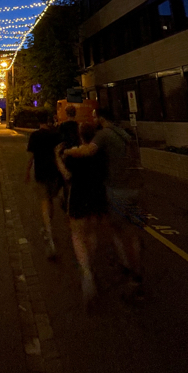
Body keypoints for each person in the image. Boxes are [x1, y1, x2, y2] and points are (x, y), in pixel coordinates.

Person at [64, 108, 144, 301]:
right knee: (130, 232)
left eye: (94, 116)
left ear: (101, 118)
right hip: (135, 187)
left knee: (118, 231)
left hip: (117, 189)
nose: (93, 119)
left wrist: (66, 151)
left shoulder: (104, 135)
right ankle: (131, 269)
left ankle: (132, 275)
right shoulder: (125, 134)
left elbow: (87, 151)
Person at [55, 122, 108, 304]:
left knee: (77, 235)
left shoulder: (75, 155)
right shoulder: (100, 154)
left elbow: (67, 176)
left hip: (79, 195)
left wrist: (58, 159)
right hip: (97, 195)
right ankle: (89, 266)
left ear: (80, 135)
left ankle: (86, 273)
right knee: (92, 233)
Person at [25, 110, 61, 258]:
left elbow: (31, 157)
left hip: (41, 171)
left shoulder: (35, 136)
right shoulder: (55, 135)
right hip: (55, 171)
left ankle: (49, 233)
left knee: (45, 201)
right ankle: (49, 226)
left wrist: (27, 172)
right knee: (51, 199)